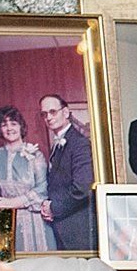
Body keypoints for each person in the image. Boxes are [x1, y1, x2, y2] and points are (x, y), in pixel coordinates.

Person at [0, 104, 53, 252]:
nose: (9, 128)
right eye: (4, 124)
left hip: (34, 222)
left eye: (13, 123)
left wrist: (13, 202)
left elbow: (43, 189)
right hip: (5, 221)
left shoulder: (35, 155)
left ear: (21, 126)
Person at [40, 93, 96, 251]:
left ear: (65, 112)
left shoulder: (80, 143)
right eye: (44, 114)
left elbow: (83, 188)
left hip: (78, 228)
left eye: (53, 112)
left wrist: (53, 207)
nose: (48, 117)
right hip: (64, 225)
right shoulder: (58, 143)